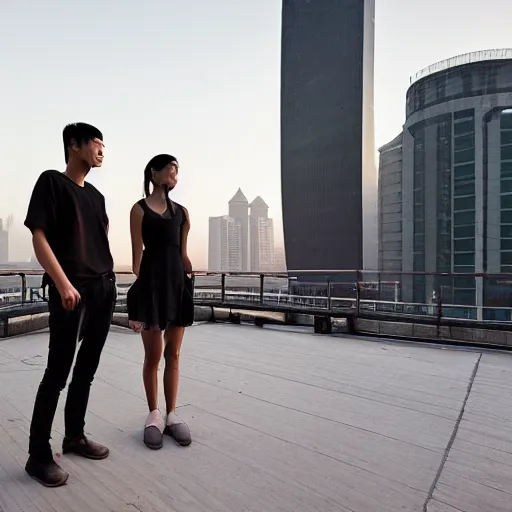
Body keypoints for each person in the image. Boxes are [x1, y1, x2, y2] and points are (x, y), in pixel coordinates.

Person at [24, 123, 116, 487]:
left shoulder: (96, 196)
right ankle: (37, 455)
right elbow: (39, 235)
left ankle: (73, 436)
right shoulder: (51, 182)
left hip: (103, 290)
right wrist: (63, 282)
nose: (102, 149)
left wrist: (107, 284)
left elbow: (100, 241)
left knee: (86, 370)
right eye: (95, 142)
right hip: (70, 291)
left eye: (104, 144)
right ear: (74, 145)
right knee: (56, 374)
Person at [128, 154, 193, 450]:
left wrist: (187, 279)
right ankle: (153, 414)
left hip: (177, 286)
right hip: (152, 288)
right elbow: (136, 262)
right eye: (171, 169)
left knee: (174, 355)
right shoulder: (138, 210)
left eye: (177, 171)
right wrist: (138, 303)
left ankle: (172, 415)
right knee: (153, 356)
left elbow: (184, 256)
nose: (175, 174)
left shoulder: (182, 213)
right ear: (154, 173)